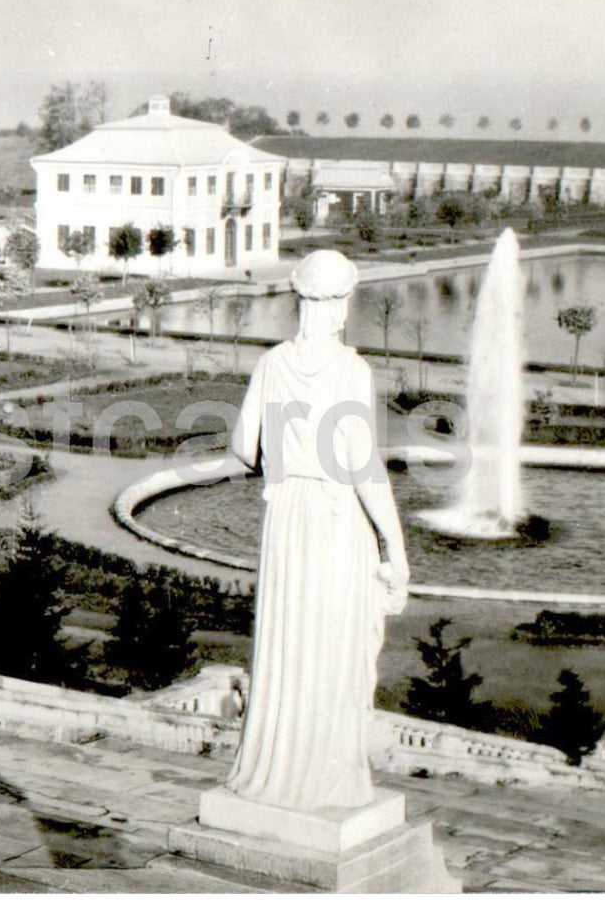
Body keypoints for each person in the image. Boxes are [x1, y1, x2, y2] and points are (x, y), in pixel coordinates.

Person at [223, 250, 409, 811]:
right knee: (331, 646)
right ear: (340, 305)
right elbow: (362, 468)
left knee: (288, 643)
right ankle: (326, 779)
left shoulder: (272, 362)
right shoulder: (351, 369)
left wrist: (284, 469)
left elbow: (240, 446)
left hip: (286, 515)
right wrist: (394, 547)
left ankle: (275, 773)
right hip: (334, 519)